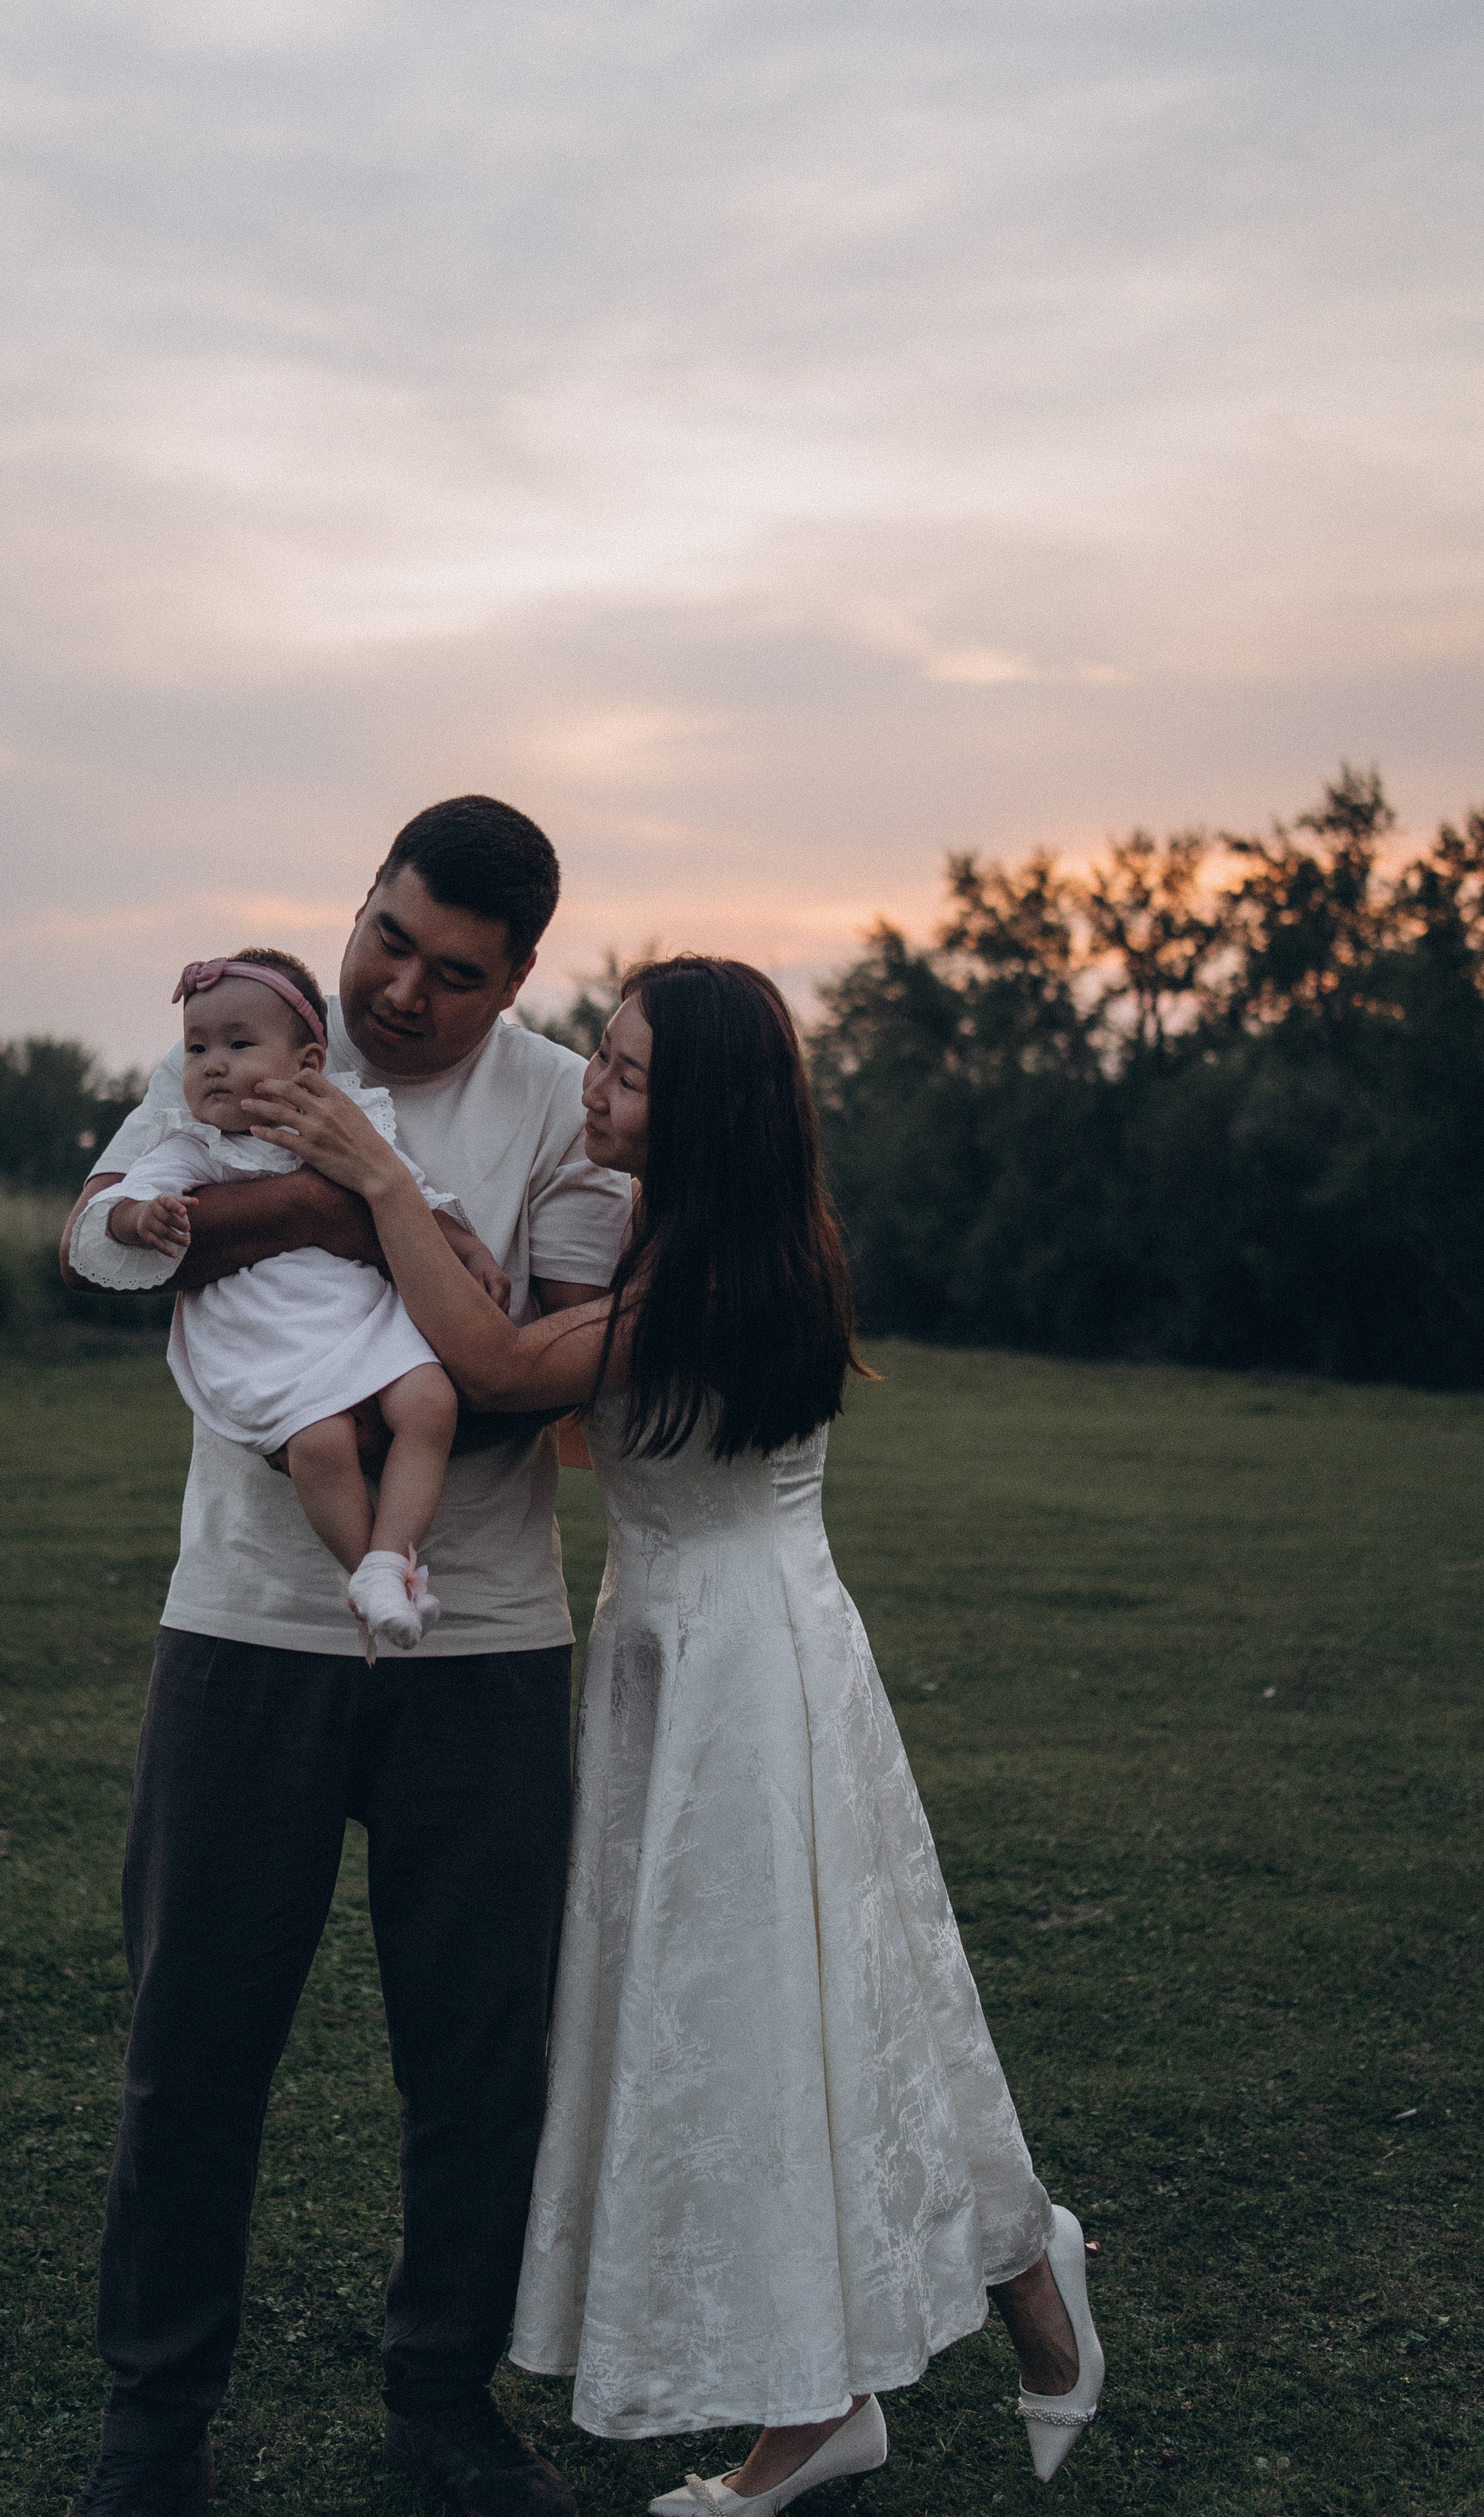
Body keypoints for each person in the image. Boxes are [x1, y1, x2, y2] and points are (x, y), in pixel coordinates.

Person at [269, 955, 1106, 2514]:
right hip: (683, 1641)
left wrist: (380, 1177)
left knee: (761, 2019)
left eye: (630, 1074)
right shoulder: (687, 1241)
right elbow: (597, 1427)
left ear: (706, 1105)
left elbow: (512, 1373)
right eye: (599, 1057)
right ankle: (1000, 2271)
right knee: (852, 2001)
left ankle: (832, 2397)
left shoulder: (715, 1263)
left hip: (744, 1664)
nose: (593, 1088)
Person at [58, 799, 630, 2517]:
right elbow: (98, 1241)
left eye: (455, 974)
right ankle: (154, 2426)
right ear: (361, 903)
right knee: (195, 2038)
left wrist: (322, 1201)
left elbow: (539, 1367)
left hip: (486, 1639)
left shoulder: (550, 1108)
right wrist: (315, 1209)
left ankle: (442, 2409)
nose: (402, 989)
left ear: (516, 978)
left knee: (474, 2049)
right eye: (387, 935)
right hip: (242, 1619)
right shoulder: (241, 1036)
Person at [69, 944, 509, 1653]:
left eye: (239, 1044)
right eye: (197, 1047)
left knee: (431, 1402)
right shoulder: (198, 1144)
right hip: (265, 1330)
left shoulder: (343, 1127)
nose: (214, 1062)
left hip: (360, 1312)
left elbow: (417, 1195)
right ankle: (363, 1570)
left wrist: (469, 1251)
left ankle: (387, 1560)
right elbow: (119, 1201)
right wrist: (137, 1218)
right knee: (320, 1442)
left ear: (307, 1064)